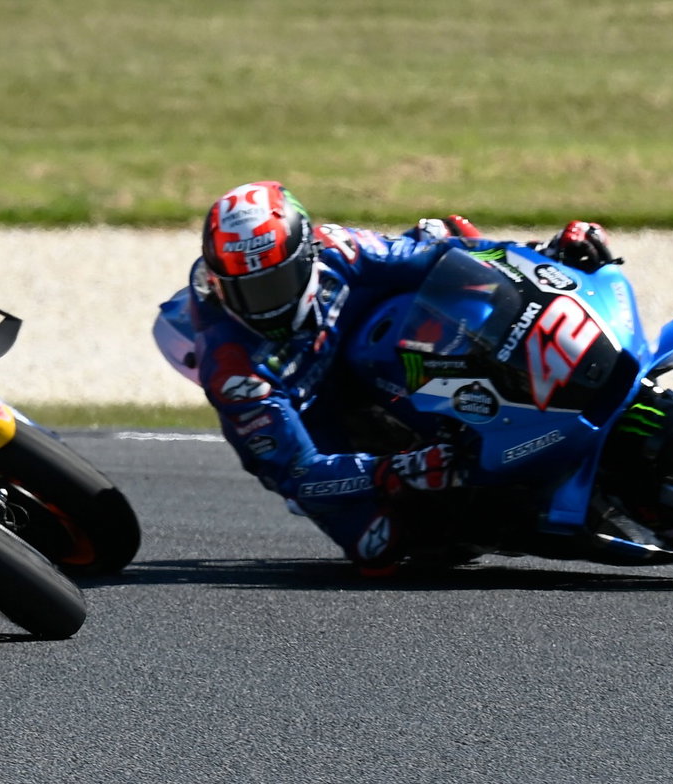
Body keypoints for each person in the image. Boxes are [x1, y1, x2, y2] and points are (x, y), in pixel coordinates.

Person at [152, 180, 620, 574]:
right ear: (218, 282)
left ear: (305, 255)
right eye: (245, 290)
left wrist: (546, 252)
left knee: (446, 239)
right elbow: (297, 474)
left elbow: (439, 253)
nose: (263, 304)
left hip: (375, 348)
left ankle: (519, 401)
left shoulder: (338, 250)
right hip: (318, 420)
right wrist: (398, 471)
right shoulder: (232, 366)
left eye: (273, 284)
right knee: (382, 549)